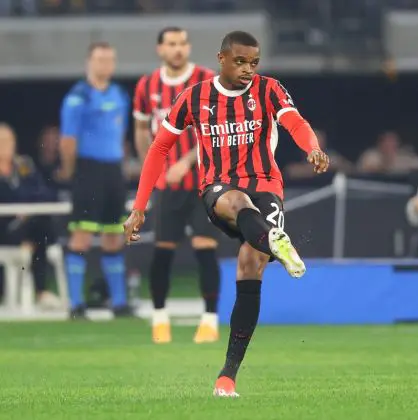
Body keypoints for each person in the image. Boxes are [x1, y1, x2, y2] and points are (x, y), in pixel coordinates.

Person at [123, 31, 329, 397]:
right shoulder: (195, 97)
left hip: (266, 185)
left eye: (254, 62)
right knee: (236, 202)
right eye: (240, 61)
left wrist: (311, 147)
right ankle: (275, 241)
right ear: (221, 58)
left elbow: (294, 121)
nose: (248, 69)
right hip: (218, 187)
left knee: (250, 265)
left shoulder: (269, 90)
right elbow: (159, 149)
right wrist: (140, 206)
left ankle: (227, 376)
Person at [133, 27, 220, 344]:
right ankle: (159, 319)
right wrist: (151, 168)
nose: (179, 49)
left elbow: (215, 130)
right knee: (163, 252)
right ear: (160, 49)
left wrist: (186, 162)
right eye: (172, 44)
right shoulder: (147, 85)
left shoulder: (207, 80)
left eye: (183, 43)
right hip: (167, 188)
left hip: (203, 184)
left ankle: (209, 320)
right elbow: (142, 130)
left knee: (205, 250)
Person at [58, 41, 131, 319]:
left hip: (113, 170)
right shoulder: (78, 97)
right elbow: (68, 140)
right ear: (89, 63)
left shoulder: (119, 95)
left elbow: (119, 135)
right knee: (82, 236)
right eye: (100, 60)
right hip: (88, 170)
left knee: (114, 235)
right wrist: (70, 170)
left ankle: (120, 303)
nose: (105, 65)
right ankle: (76, 305)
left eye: (109, 60)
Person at [0, 123, 62, 309]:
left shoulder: (23, 165)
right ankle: (40, 291)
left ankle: (41, 293)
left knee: (40, 224)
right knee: (40, 228)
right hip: (4, 227)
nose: (7, 145)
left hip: (26, 223)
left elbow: (43, 192)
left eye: (10, 141)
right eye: (2, 141)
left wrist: (24, 209)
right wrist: (21, 204)